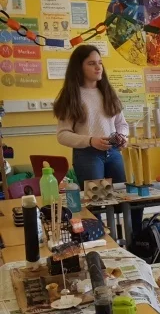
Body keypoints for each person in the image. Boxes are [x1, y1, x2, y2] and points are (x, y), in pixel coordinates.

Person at [54, 44, 142, 235]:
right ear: (79, 67)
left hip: (113, 154)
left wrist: (123, 136)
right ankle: (101, 240)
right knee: (98, 205)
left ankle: (135, 239)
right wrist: (90, 140)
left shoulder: (108, 92)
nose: (98, 67)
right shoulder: (72, 97)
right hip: (88, 156)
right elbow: (62, 134)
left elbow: (122, 124)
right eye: (91, 63)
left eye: (100, 63)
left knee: (127, 199)